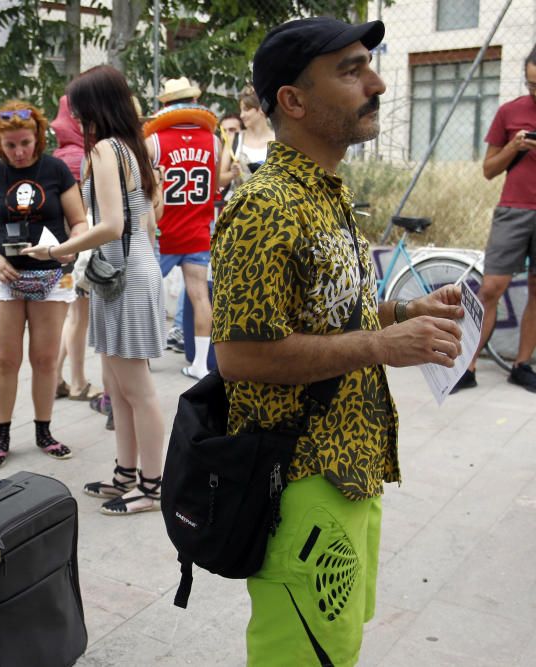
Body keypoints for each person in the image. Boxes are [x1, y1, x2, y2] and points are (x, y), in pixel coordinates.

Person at [212, 18, 467, 664]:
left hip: (351, 471)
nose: (376, 83)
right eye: (351, 71)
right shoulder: (265, 207)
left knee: (337, 649)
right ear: (293, 101)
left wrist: (401, 311)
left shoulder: (326, 193)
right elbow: (239, 355)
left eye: (368, 66)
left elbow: (332, 316)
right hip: (300, 477)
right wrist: (383, 346)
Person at [24, 65, 166, 515]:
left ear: (94, 108)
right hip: (127, 273)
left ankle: (153, 484)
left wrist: (57, 251)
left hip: (124, 276)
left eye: (78, 110)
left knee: (135, 390)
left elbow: (112, 225)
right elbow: (143, 221)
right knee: (117, 387)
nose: (74, 118)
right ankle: (127, 475)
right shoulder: (131, 147)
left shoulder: (106, 150)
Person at [0, 99, 88, 467]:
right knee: (5, 360)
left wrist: (66, 250)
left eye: (25, 143)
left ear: (37, 137)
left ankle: (44, 430)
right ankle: (1, 435)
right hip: (5, 277)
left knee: (45, 358)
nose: (19, 152)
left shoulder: (55, 170)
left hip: (51, 274)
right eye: (11, 145)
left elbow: (79, 222)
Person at [451, 44, 536, 393]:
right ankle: (467, 366)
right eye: (532, 84)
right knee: (490, 289)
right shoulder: (509, 112)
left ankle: (522, 364)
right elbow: (488, 170)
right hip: (513, 210)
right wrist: (514, 148)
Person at [148, 76, 221, 379]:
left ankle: (143, 359)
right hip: (197, 232)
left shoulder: (153, 141)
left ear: (164, 105)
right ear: (194, 102)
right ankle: (202, 364)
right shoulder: (214, 142)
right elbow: (214, 190)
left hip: (163, 234)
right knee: (200, 297)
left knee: (147, 295)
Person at [50, 94, 103, 404]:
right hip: (78, 249)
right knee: (77, 318)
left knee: (71, 316)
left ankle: (56, 378)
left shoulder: (57, 156)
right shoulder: (83, 157)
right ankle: (78, 382)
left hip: (59, 248)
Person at [219, 85, 275, 191]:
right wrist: (232, 174)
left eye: (246, 110)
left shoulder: (278, 139)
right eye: (241, 111)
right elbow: (219, 180)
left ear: (261, 110)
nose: (242, 115)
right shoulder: (234, 139)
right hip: (242, 204)